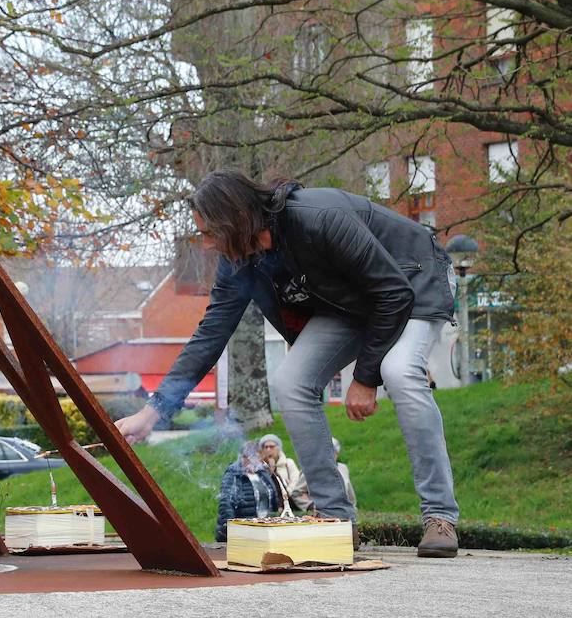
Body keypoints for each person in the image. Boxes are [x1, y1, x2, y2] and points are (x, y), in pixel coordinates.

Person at [116, 171, 460, 558]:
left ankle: (440, 517)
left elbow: (392, 293)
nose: (208, 244)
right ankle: (336, 519)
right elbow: (210, 335)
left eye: (210, 232)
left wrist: (365, 377)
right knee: (290, 382)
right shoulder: (239, 263)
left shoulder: (318, 218)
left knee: (399, 372)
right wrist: (153, 411)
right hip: (353, 301)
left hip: (414, 280)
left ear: (235, 220)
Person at [215, 440, 284, 542]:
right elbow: (225, 503)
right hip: (243, 531)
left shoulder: (262, 473)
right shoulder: (233, 474)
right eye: (246, 456)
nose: (249, 459)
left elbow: (274, 496)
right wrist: (230, 527)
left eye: (253, 456)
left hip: (265, 530)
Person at [258, 433, 311, 513]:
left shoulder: (288, 463)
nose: (268, 450)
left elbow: (296, 481)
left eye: (272, 447)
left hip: (289, 499)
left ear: (278, 448)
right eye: (266, 447)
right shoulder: (260, 467)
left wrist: (286, 493)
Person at [334, 437, 358, 510]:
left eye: (334, 452)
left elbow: (350, 494)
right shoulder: (313, 468)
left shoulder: (343, 468)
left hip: (343, 509)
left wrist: (352, 507)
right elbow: (299, 493)